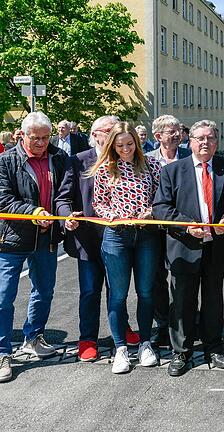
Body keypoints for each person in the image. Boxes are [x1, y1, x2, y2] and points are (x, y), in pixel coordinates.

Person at [153, 120, 224, 376]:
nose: (205, 143)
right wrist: (186, 225)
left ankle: (214, 347)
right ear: (189, 141)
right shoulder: (173, 171)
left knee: (214, 299)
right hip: (184, 246)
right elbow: (161, 208)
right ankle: (181, 352)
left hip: (217, 246)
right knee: (182, 301)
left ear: (217, 141)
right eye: (200, 138)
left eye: (211, 138)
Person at [54, 115, 141, 361]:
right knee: (90, 291)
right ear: (96, 135)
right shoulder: (78, 161)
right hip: (89, 240)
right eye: (110, 130)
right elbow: (62, 198)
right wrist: (66, 217)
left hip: (119, 239)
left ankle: (122, 329)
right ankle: (88, 339)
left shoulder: (127, 160)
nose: (116, 134)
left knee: (119, 290)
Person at [90, 122, 163, 374]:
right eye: (119, 145)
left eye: (129, 144)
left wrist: (150, 212)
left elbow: (160, 197)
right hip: (116, 236)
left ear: (137, 142)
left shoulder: (151, 165)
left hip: (145, 236)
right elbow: (98, 203)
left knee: (145, 292)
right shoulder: (104, 169)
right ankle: (120, 347)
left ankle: (145, 343)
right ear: (112, 144)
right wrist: (114, 215)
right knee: (118, 294)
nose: (125, 149)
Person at [0, 111, 67, 383]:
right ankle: (3, 351)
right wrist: (34, 211)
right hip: (13, 239)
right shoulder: (6, 161)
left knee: (44, 290)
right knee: (4, 297)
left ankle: (34, 336)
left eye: (45, 137)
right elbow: (3, 200)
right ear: (22, 134)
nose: (40, 142)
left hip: (47, 238)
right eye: (34, 137)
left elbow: (64, 193)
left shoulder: (59, 158)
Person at [145, 115, 192, 348]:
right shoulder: (145, 160)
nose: (176, 135)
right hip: (154, 230)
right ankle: (162, 324)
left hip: (181, 227)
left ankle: (183, 323)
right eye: (170, 131)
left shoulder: (188, 156)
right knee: (156, 280)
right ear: (157, 137)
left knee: (181, 277)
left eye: (178, 131)